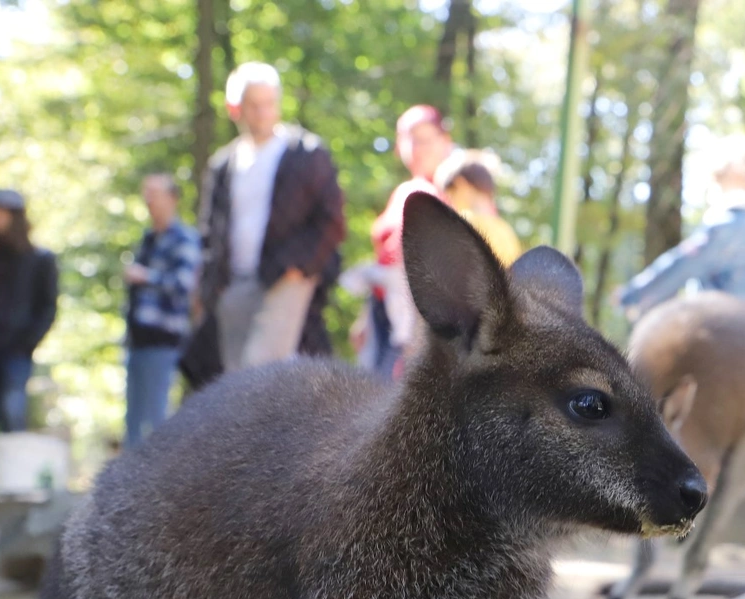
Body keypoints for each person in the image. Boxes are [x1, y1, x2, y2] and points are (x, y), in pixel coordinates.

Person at [194, 61, 346, 374]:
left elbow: (331, 220)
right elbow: (210, 229)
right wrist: (210, 285)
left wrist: (298, 267)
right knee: (235, 378)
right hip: (234, 282)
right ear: (235, 108)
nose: (263, 113)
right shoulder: (223, 165)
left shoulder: (306, 154)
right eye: (254, 105)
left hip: (286, 280)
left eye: (269, 103)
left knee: (262, 370)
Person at [617, 134, 745, 341]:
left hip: (715, 334)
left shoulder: (725, 227)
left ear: (736, 178)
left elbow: (683, 265)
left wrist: (634, 296)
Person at [0, 189, 58, 488]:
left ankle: (13, 484)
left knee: (10, 411)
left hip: (15, 352)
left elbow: (47, 308)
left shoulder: (40, 260)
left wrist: (27, 343)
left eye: (2, 212)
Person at [352, 104, 455, 381]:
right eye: (409, 139)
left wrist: (420, 331)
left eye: (425, 139)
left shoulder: (456, 194)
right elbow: (384, 258)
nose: (417, 148)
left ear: (445, 141)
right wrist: (365, 317)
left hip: (417, 319)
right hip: (383, 312)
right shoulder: (404, 191)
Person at [123, 174, 201, 446]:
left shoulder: (184, 238)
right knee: (133, 417)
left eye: (155, 194)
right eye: (146, 194)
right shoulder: (148, 238)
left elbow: (184, 284)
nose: (149, 200)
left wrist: (145, 276)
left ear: (172, 198)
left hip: (164, 339)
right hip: (137, 338)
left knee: (156, 415)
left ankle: (157, 470)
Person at [435, 149, 523, 266]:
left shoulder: (463, 224)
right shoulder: (506, 231)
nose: (451, 203)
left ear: (460, 184)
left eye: (451, 195)